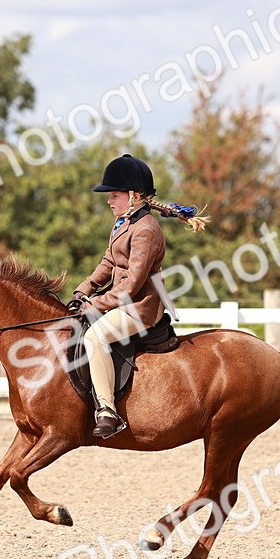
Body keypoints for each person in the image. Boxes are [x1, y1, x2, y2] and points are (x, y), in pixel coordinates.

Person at [66, 154, 207, 438]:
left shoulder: (146, 230)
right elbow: (108, 263)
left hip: (139, 307)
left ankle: (107, 411)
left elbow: (131, 285)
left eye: (114, 195)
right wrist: (84, 288)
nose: (109, 201)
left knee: (97, 336)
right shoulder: (124, 222)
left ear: (133, 196)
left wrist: (96, 303)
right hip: (120, 299)